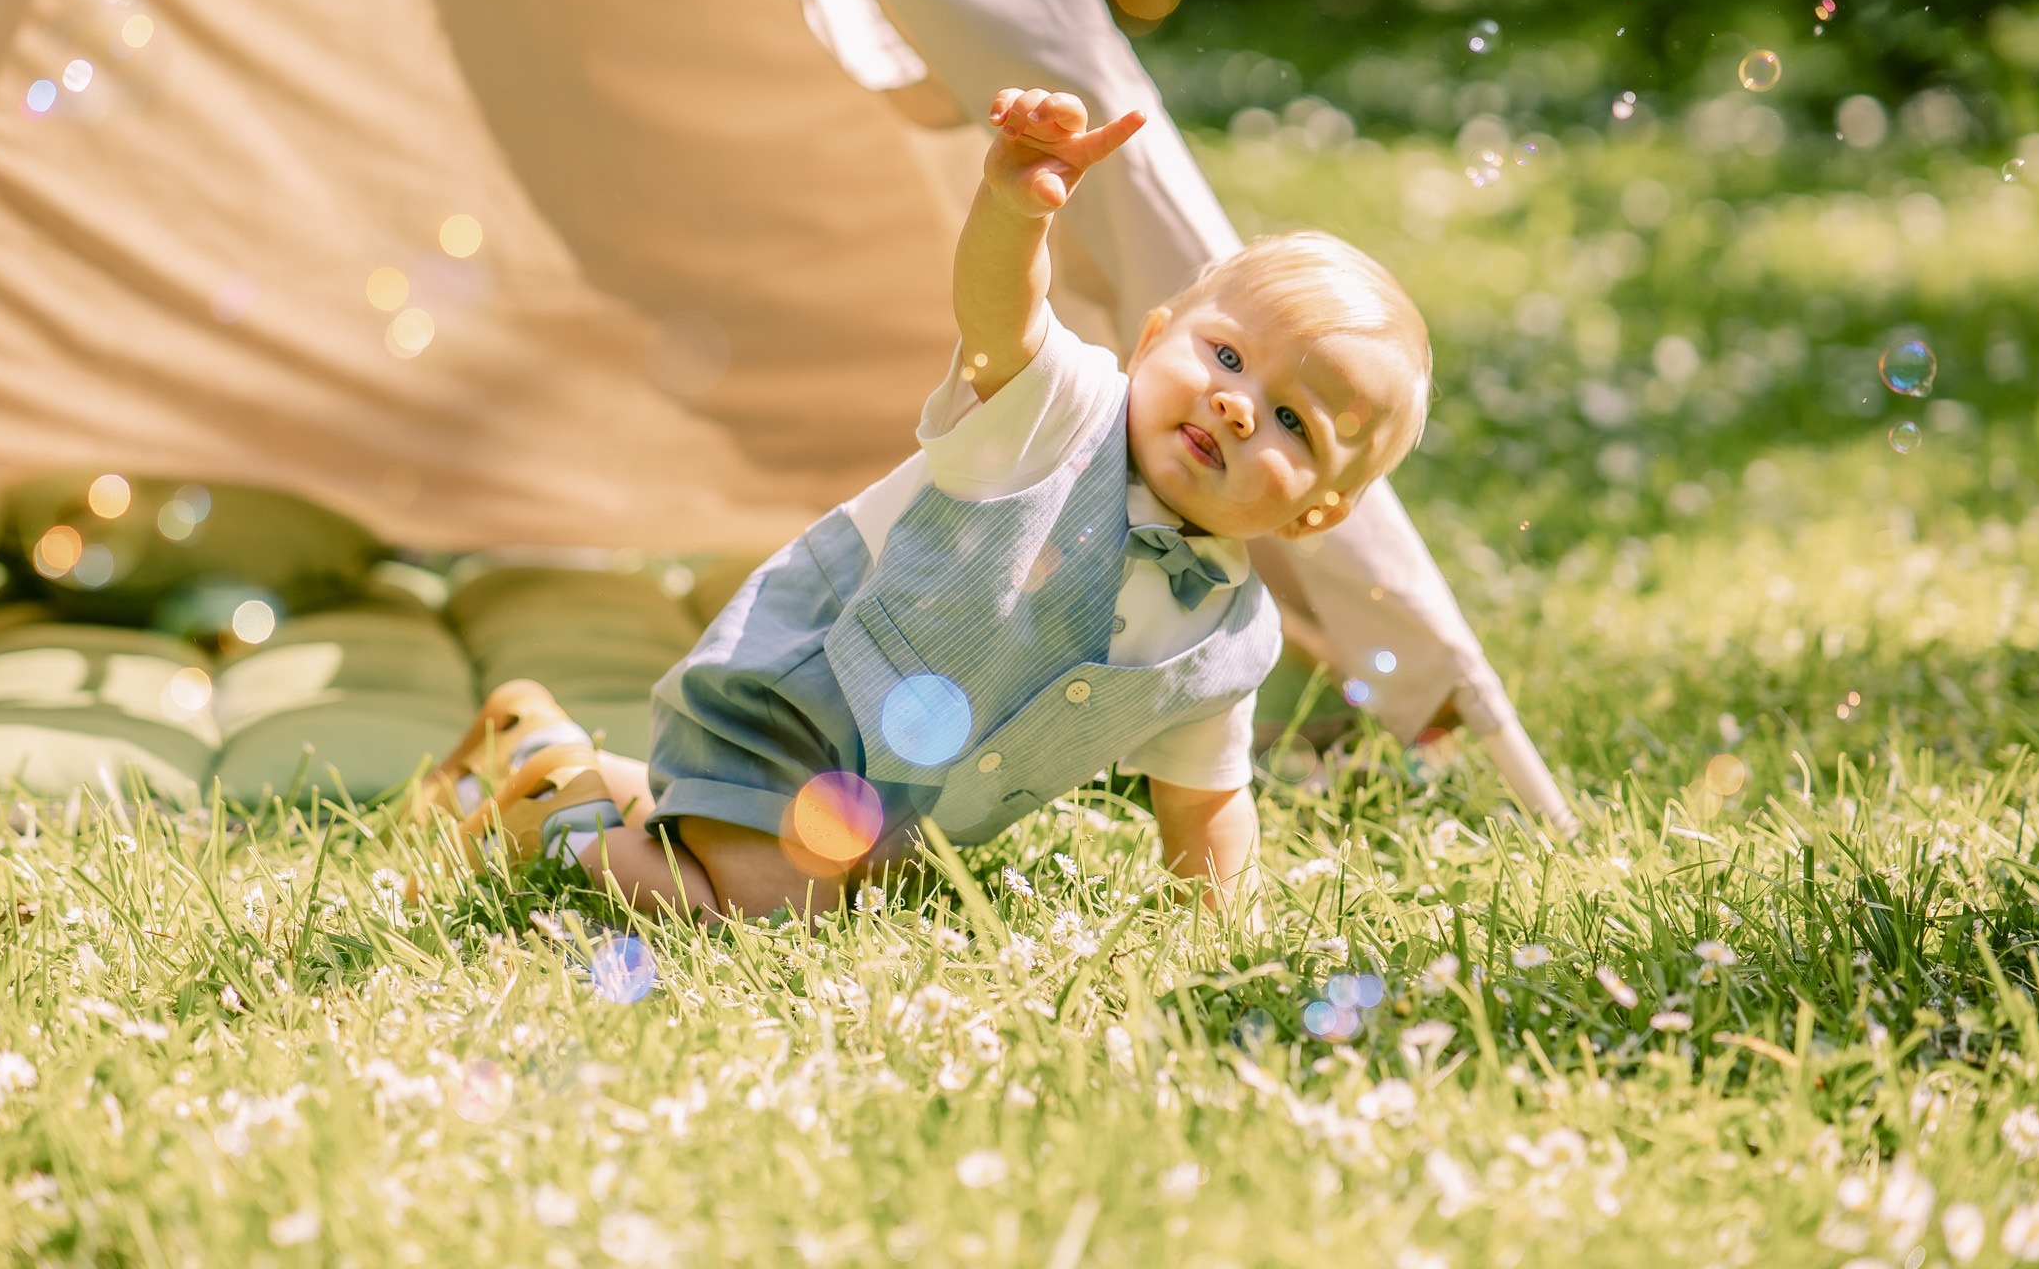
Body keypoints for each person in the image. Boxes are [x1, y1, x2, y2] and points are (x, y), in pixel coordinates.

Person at [413, 88, 1431, 923]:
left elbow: (1205, 802)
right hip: (790, 709)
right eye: (1225, 354)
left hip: (891, 809)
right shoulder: (1054, 412)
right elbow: (999, 316)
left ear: (1317, 515)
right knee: (771, 908)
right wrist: (1016, 210)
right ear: (1151, 335)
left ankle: (556, 750)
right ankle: (554, 809)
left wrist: (1224, 937)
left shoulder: (1226, 637)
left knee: (847, 879)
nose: (1236, 405)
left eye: (1296, 422)